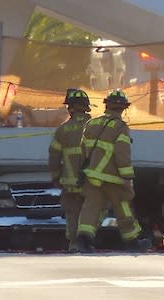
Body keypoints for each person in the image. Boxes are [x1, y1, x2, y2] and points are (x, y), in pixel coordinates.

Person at [76, 89, 148, 253]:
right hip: (113, 178)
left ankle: (84, 240)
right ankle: (132, 241)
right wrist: (127, 177)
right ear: (123, 108)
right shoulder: (120, 127)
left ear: (106, 106)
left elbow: (83, 150)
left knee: (91, 207)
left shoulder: (91, 123)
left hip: (91, 175)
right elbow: (122, 153)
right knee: (123, 208)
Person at [49, 88, 92, 252]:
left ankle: (74, 244)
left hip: (69, 182)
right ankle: (87, 241)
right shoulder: (95, 127)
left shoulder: (63, 130)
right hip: (91, 181)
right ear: (87, 107)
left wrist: (55, 176)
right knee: (91, 211)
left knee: (72, 213)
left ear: (70, 108)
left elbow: (54, 156)